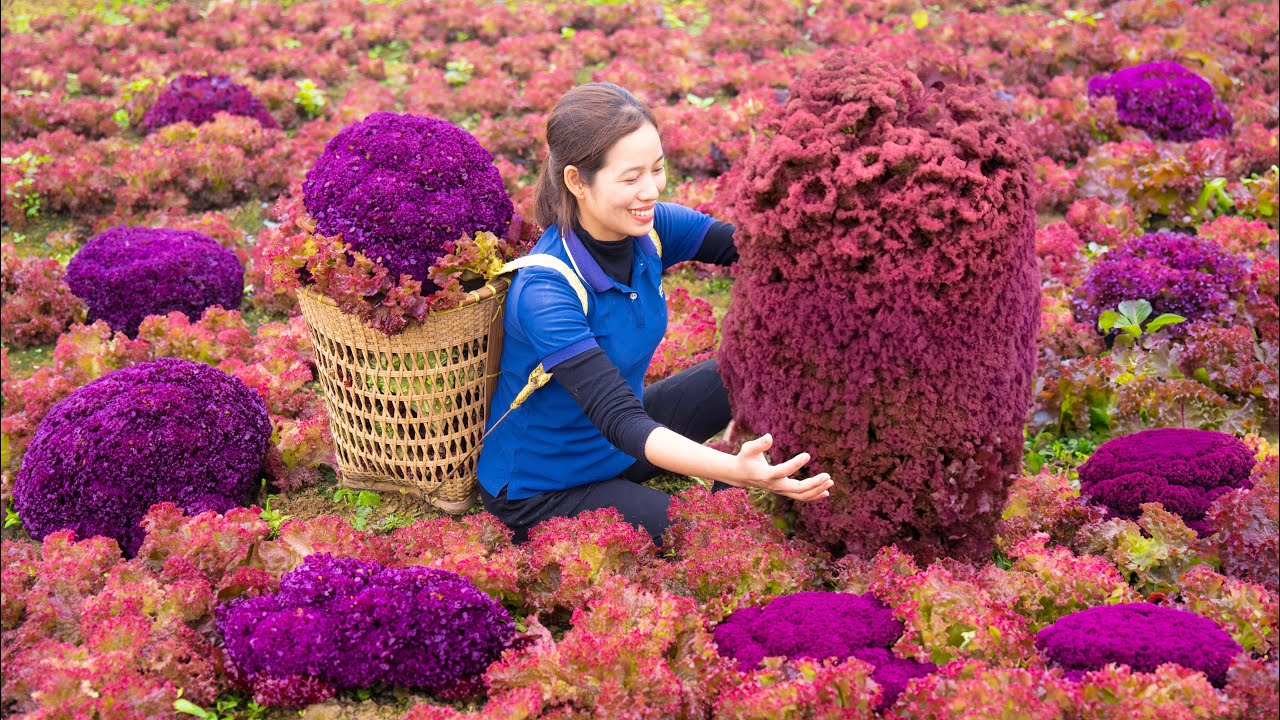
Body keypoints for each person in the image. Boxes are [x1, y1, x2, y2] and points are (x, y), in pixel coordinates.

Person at [476, 82, 833, 544]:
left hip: (619, 446)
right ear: (576, 182)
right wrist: (735, 470)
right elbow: (619, 417)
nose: (650, 191)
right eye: (630, 179)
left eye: (658, 169)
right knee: (706, 536)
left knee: (755, 363)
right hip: (544, 486)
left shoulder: (652, 228)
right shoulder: (547, 290)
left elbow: (758, 248)